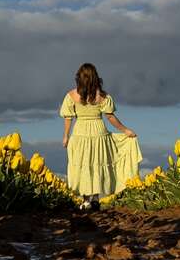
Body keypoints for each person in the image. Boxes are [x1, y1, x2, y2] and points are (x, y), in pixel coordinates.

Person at [60, 63, 142, 209]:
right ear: (95, 77)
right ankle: (96, 199)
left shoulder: (71, 95)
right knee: (97, 163)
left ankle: (86, 200)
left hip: (80, 133)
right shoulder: (102, 96)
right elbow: (110, 117)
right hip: (99, 131)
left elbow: (68, 118)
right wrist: (125, 130)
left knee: (85, 164)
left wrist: (66, 136)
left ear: (79, 77)